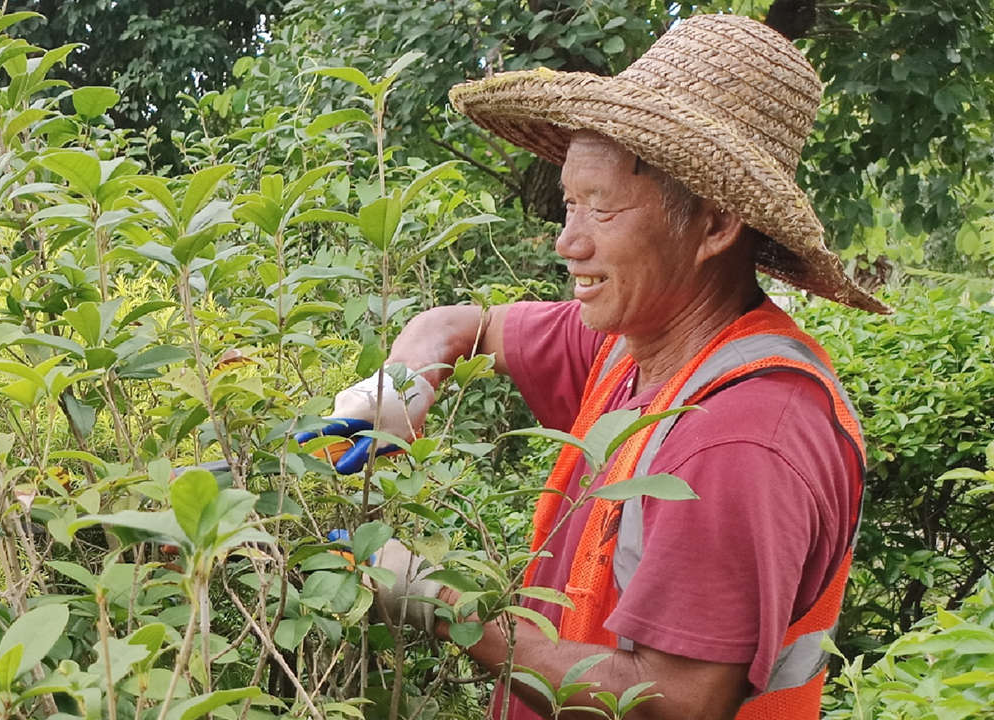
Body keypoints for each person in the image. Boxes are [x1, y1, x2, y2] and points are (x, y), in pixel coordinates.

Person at [301, 13, 889, 720]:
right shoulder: (634, 344)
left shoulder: (745, 436)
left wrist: (439, 601)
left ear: (713, 226)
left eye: (600, 210)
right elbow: (463, 325)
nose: (566, 242)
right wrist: (402, 381)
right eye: (570, 202)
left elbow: (673, 703)